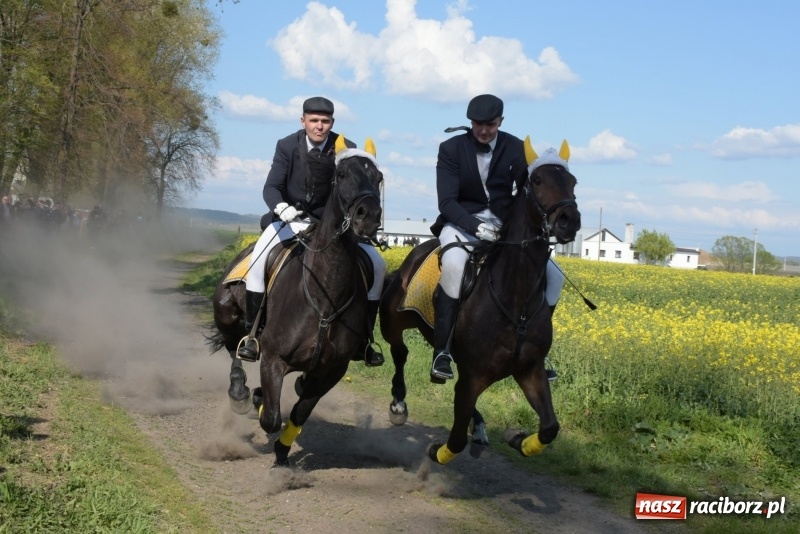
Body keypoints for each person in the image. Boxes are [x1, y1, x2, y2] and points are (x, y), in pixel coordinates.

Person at [238, 96, 386, 365]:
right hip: (291, 218)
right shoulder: (286, 146)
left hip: (333, 226)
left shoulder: (347, 149)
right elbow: (271, 187)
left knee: (378, 264)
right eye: (314, 120)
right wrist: (281, 207)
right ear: (303, 120)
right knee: (258, 260)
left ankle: (364, 339)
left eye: (325, 121)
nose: (319, 126)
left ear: (332, 123)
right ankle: (253, 333)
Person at [429, 94, 564, 383]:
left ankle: (538, 352)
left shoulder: (516, 148)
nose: (484, 130)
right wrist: (475, 227)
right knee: (453, 265)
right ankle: (442, 350)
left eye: (490, 124)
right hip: (460, 223)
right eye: (478, 124)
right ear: (471, 122)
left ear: (500, 121)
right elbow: (447, 202)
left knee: (555, 277)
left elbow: (527, 195)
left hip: (504, 229)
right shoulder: (451, 149)